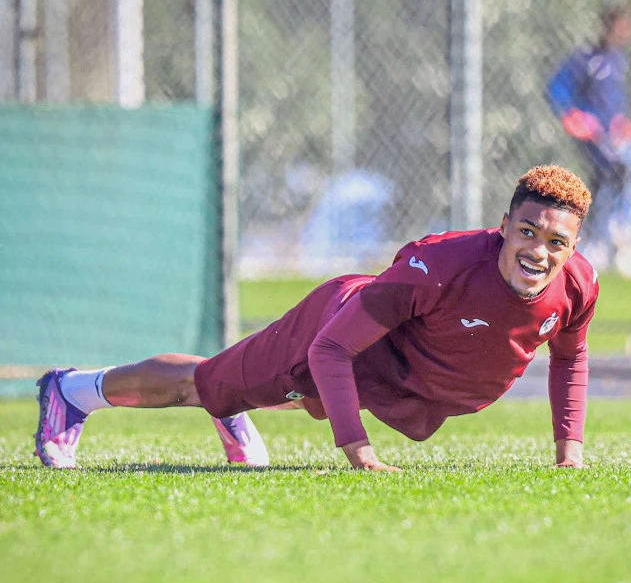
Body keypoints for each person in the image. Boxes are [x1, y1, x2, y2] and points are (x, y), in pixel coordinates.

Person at [35, 164, 598, 472]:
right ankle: (74, 390)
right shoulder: (440, 267)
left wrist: (569, 455)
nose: (538, 252)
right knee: (201, 385)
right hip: (340, 325)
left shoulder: (579, 285)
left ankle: (233, 404)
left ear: (574, 245)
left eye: (556, 241)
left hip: (398, 372)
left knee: (289, 397)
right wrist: (360, 452)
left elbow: (570, 359)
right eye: (527, 232)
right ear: (503, 225)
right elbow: (331, 350)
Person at [546, 5, 631, 267]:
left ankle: (602, 236)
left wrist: (622, 119)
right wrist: (572, 116)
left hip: (611, 136)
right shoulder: (585, 58)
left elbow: (617, 99)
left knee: (609, 178)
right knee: (615, 172)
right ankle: (606, 231)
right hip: (591, 135)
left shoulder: (618, 61)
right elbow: (556, 88)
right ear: (607, 27)